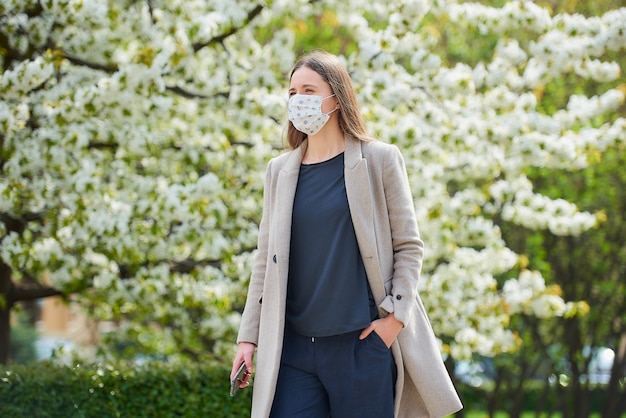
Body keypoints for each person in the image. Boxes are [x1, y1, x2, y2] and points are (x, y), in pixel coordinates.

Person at [230, 49, 462, 418]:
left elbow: (409, 247)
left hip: (361, 345)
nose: (298, 101)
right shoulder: (279, 171)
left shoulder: (379, 160)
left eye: (308, 90)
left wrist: (394, 321)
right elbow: (265, 263)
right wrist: (248, 337)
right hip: (293, 351)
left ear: (335, 99)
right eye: (292, 93)